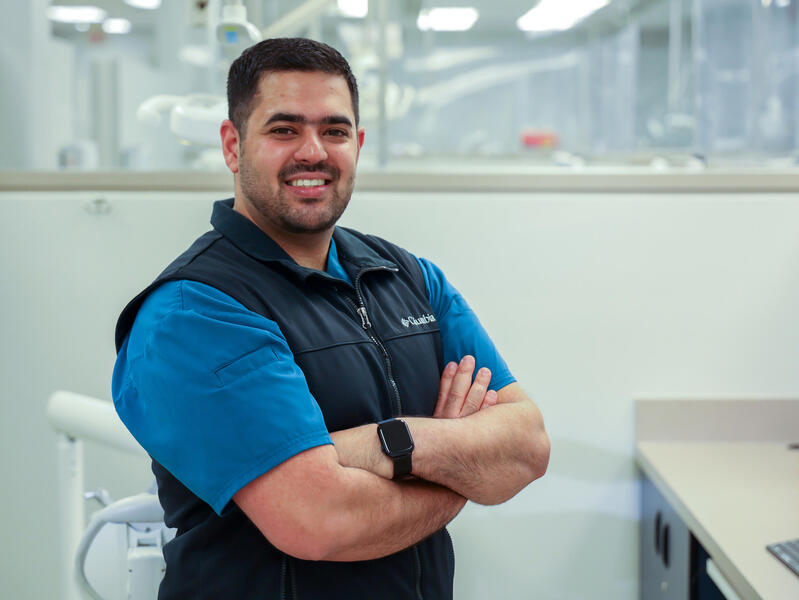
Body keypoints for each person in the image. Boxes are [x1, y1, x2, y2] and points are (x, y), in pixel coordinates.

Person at [112, 38, 549, 600]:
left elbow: (527, 446)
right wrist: (464, 468)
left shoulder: (411, 278)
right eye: (284, 129)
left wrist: (387, 445)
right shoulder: (195, 312)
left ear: (358, 144)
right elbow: (319, 520)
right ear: (232, 145)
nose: (313, 152)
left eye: (334, 131)